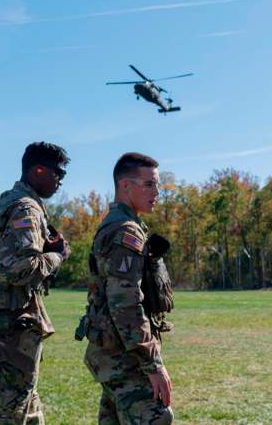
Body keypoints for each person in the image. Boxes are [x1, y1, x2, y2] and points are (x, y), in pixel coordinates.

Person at [0, 141, 72, 424]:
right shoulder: (26, 209)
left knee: (27, 407)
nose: (60, 181)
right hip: (9, 323)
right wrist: (57, 256)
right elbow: (19, 269)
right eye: (57, 173)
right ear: (37, 170)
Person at [81, 152, 173, 424]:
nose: (157, 191)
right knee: (157, 418)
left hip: (114, 352)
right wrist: (152, 364)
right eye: (149, 184)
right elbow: (126, 304)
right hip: (126, 357)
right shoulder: (126, 232)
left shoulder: (120, 225)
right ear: (125, 186)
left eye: (157, 185)